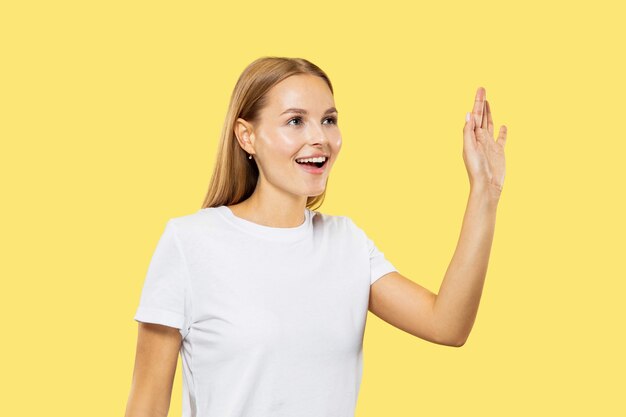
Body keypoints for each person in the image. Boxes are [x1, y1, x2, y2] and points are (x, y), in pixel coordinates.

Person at [124, 56, 508, 417]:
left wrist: (484, 193)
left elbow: (448, 326)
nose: (320, 138)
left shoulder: (348, 243)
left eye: (328, 120)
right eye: (295, 121)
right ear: (247, 137)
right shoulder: (190, 242)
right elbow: (146, 406)